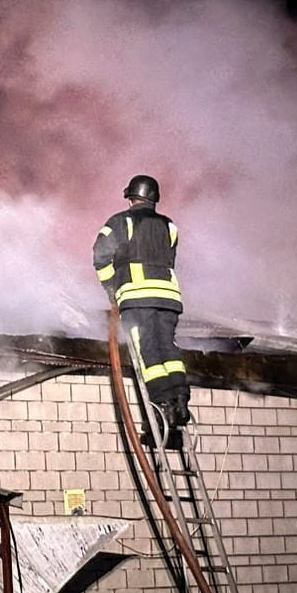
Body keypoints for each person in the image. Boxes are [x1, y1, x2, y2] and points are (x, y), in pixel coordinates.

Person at [92, 174, 191, 426]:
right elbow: (170, 259)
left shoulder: (120, 221)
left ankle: (162, 407)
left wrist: (111, 287)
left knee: (146, 349)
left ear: (131, 197)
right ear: (154, 198)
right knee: (168, 347)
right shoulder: (170, 226)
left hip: (137, 297)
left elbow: (100, 254)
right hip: (168, 297)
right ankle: (180, 399)